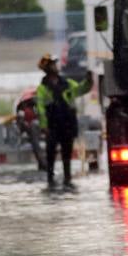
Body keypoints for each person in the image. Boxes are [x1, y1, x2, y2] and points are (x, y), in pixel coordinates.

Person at [35, 54, 90, 190]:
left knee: (67, 154)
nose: (56, 66)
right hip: (53, 126)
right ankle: (50, 180)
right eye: (53, 64)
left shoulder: (67, 83)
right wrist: (44, 126)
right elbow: (40, 109)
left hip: (67, 125)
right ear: (47, 68)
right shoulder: (42, 89)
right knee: (50, 154)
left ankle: (67, 179)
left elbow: (81, 89)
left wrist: (89, 81)